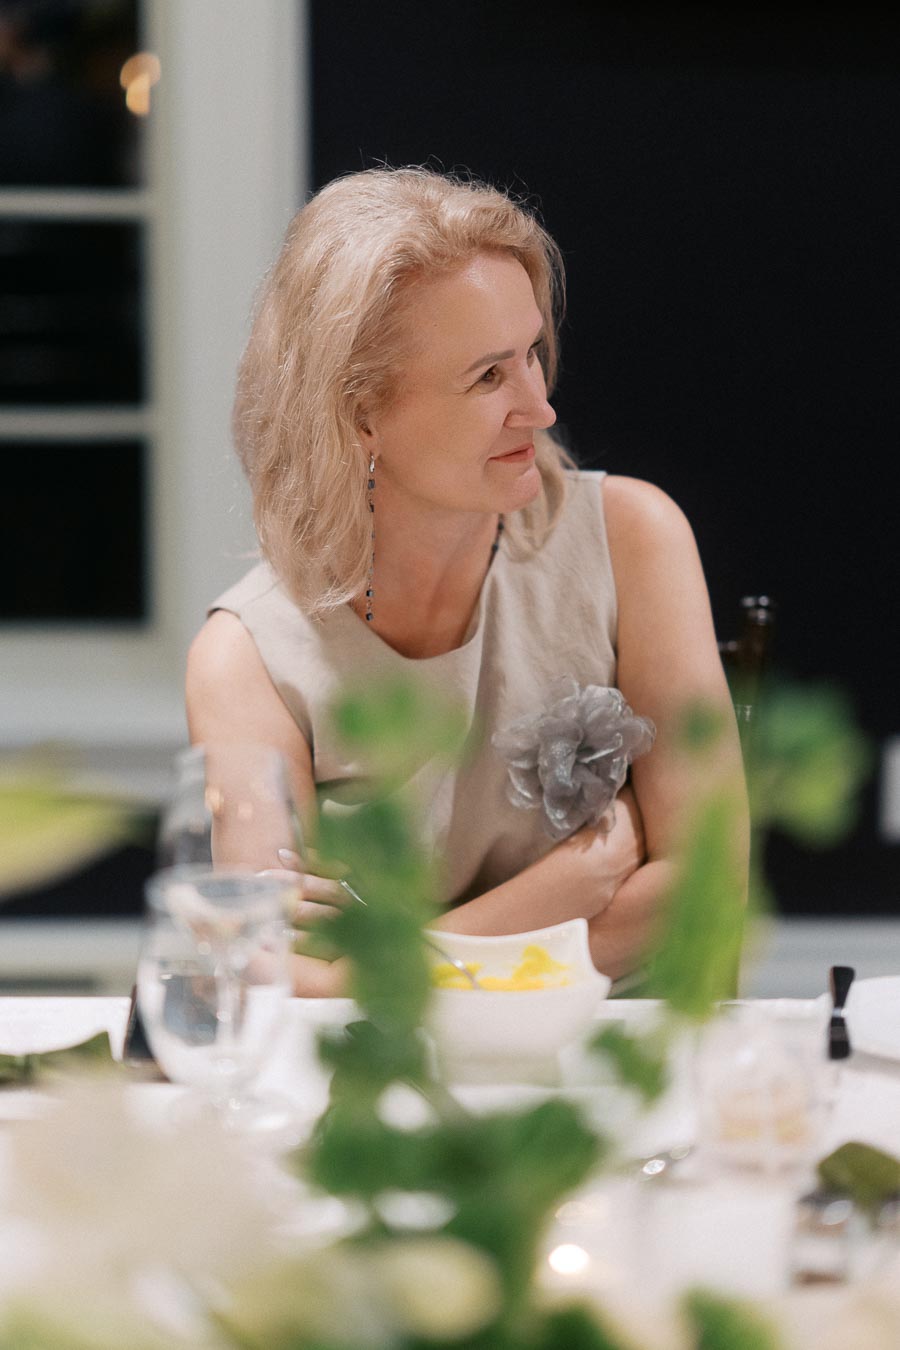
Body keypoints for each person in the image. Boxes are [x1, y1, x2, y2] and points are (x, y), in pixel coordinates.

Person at [187, 166, 746, 996]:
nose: (539, 406)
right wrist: (558, 893)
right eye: (489, 376)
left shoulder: (634, 537)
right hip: (381, 1097)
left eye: (530, 357)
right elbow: (270, 980)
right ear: (358, 413)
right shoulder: (247, 661)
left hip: (622, 1071)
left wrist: (374, 966)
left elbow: (710, 887)